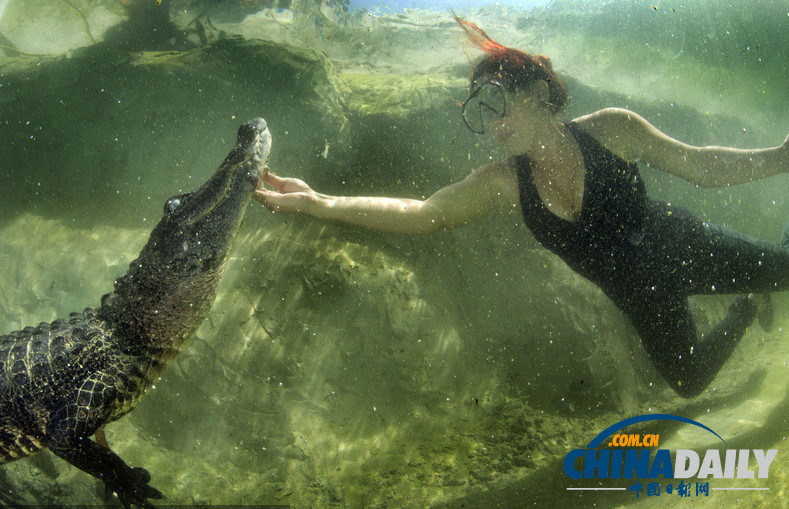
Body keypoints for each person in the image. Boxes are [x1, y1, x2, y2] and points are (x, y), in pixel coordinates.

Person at [254, 15, 789, 399]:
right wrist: (318, 202)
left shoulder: (612, 129)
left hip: (686, 247)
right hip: (640, 297)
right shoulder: (505, 184)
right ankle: (748, 305)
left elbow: (701, 165)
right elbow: (423, 215)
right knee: (689, 381)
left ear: (535, 93)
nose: (492, 124)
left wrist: (781, 158)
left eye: (497, 103)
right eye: (480, 114)